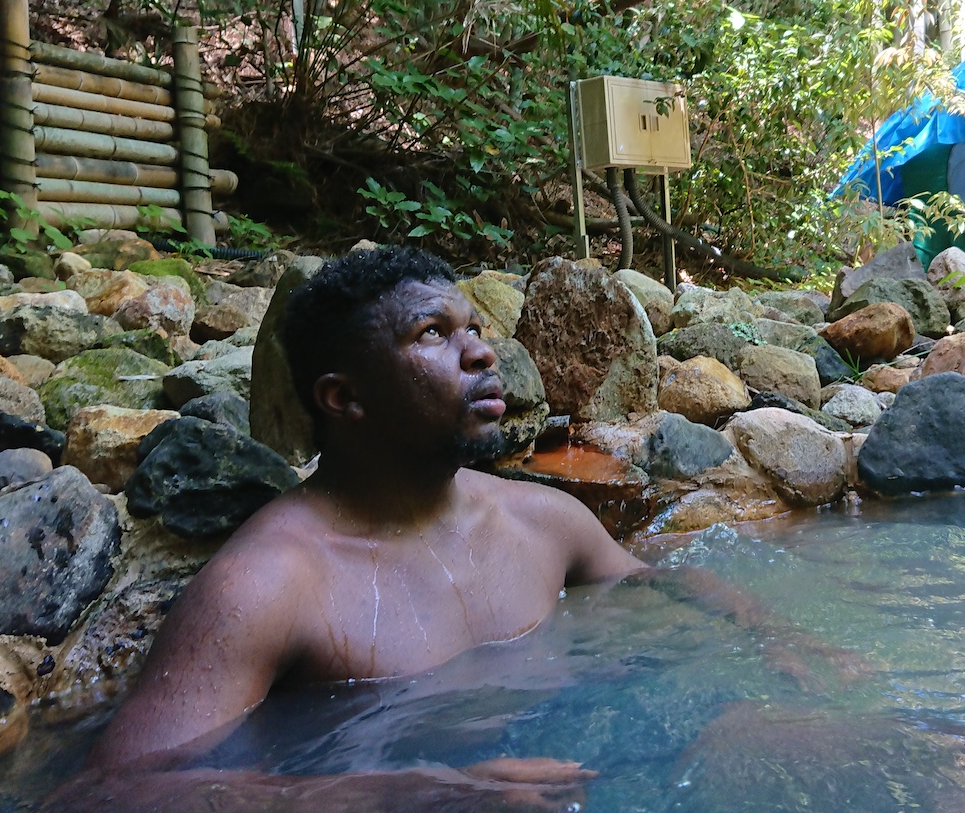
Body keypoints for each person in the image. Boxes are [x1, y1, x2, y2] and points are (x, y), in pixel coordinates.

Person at [60, 246, 646, 812]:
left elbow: (666, 593)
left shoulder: (543, 520)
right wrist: (422, 795)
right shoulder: (269, 584)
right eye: (433, 333)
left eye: (474, 328)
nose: (481, 354)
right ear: (345, 398)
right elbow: (108, 794)